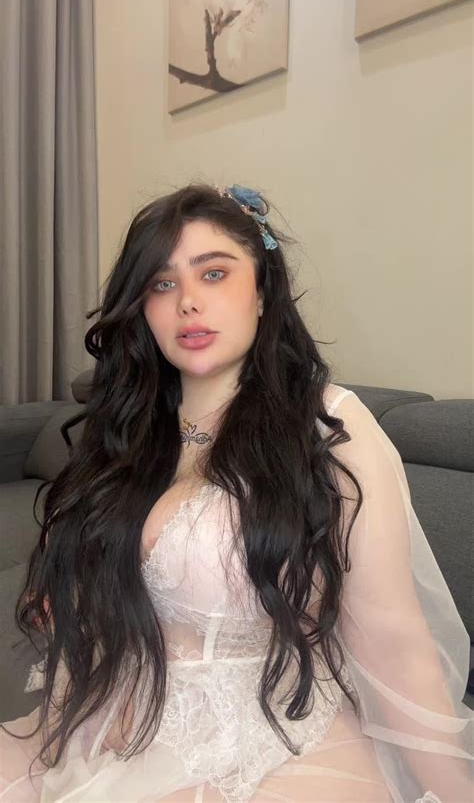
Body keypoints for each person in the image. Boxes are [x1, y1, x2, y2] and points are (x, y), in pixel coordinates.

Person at [0, 183, 472, 803]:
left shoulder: (328, 426)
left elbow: (393, 641)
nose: (188, 302)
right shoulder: (131, 427)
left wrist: (452, 788)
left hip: (264, 739)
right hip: (112, 719)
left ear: (263, 290)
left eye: (214, 273)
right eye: (162, 284)